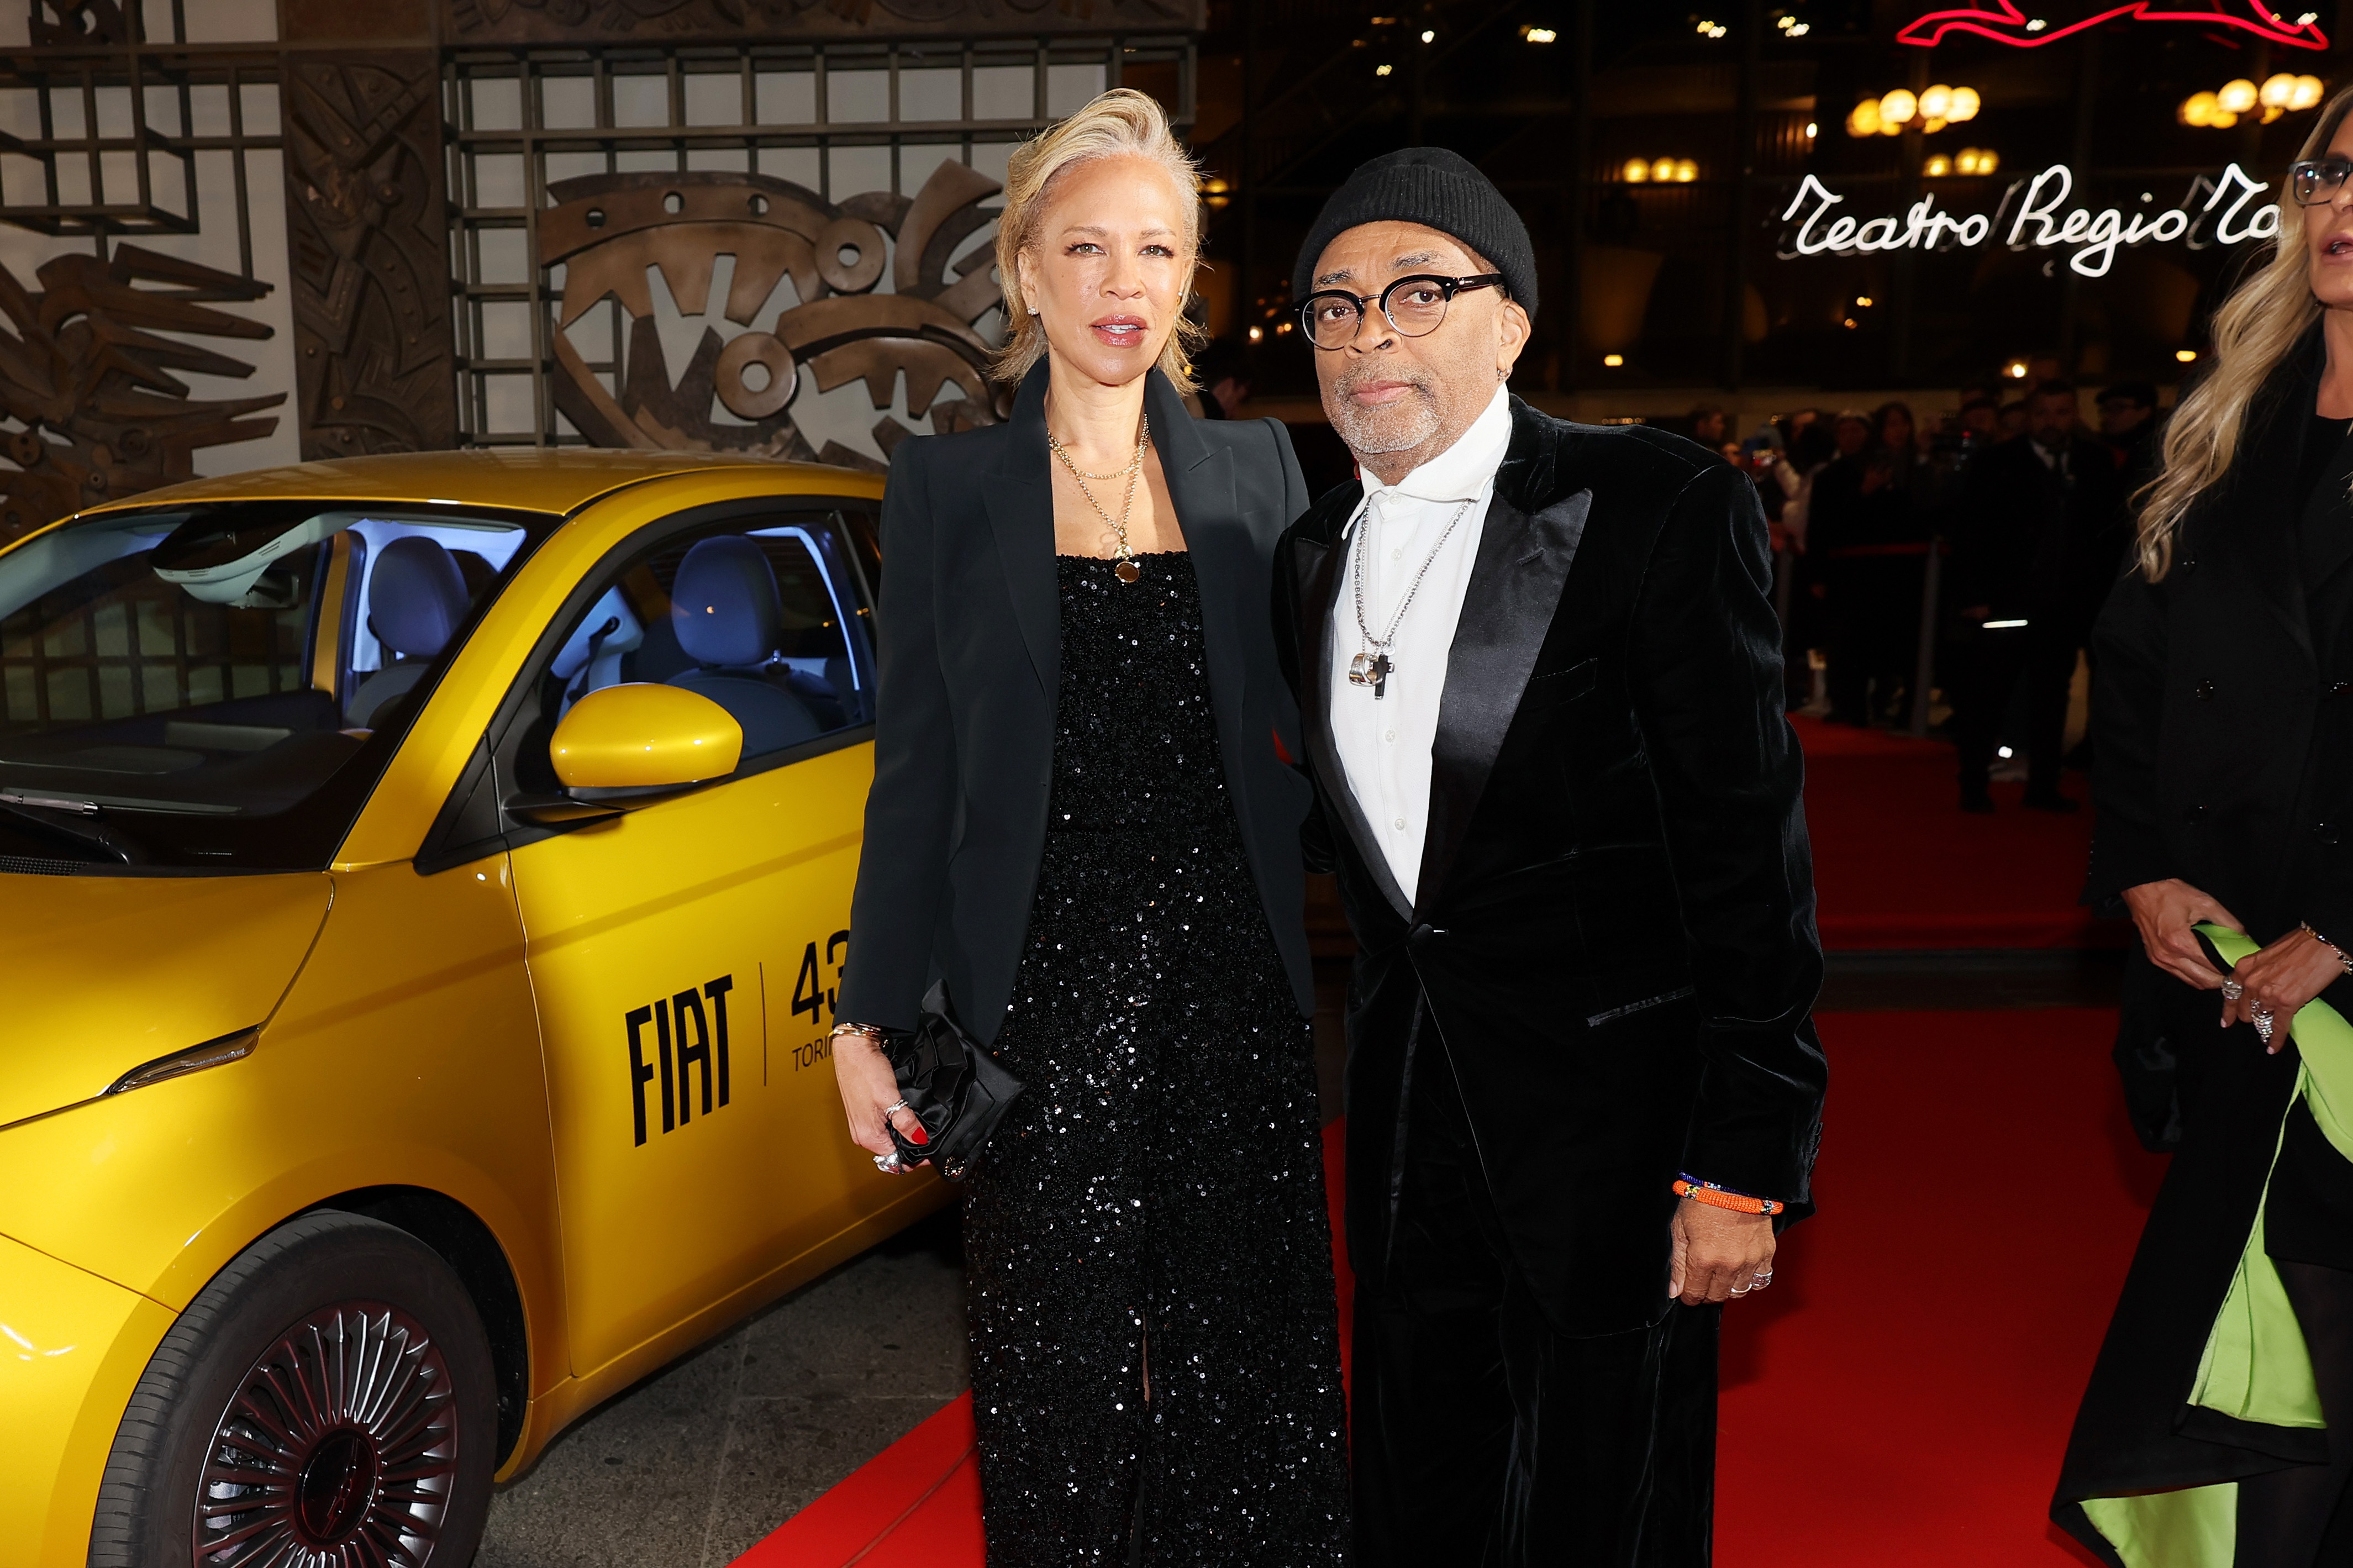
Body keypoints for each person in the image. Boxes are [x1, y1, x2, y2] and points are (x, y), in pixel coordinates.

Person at [1275, 145, 1828, 1567]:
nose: (1367, 332)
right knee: (1417, 1495)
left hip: (1618, 1134)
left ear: (1510, 319)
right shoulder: (1310, 551)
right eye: (1331, 306)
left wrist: (1739, 1159)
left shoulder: (1656, 503)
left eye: (1413, 290)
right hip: (1407, 1129)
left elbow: (1744, 845)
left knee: (1605, 1511)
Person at [830, 89, 1348, 1564]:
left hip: (1234, 976)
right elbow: (915, 771)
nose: (1126, 282)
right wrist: (868, 1019)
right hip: (1037, 988)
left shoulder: (1257, 473)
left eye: (1157, 250)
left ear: (1189, 276)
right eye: (1090, 248)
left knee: (1247, 1348)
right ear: (1027, 269)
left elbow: (1316, 736)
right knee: (1052, 1360)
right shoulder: (945, 487)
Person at [2057, 90, 2353, 1566]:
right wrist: (2140, 873)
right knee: (2262, 1346)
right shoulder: (2236, 416)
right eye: (2334, 170)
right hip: (2233, 959)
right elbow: (2134, 663)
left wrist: (2350, 928)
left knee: (2308, 1308)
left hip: (2346, 981)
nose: (2346, 202)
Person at [1947, 378, 2123, 811]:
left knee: (2051, 699)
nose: (2051, 422)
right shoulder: (1996, 463)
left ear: (2075, 414)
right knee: (1988, 696)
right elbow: (1968, 532)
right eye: (2042, 412)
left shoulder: (2094, 462)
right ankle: (1973, 786)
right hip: (2005, 602)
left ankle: (2042, 786)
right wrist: (1973, 594)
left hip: (2066, 605)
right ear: (2028, 416)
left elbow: (2109, 535)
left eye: (2061, 412)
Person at [1810, 406, 1926, 725]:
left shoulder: (1907, 467)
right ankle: (1850, 709)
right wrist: (1818, 574)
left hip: (1895, 575)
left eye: (1855, 430)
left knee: (1892, 647)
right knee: (1849, 648)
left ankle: (1891, 706)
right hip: (1852, 576)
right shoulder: (1833, 475)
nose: (1849, 437)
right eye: (1843, 431)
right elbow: (1824, 526)